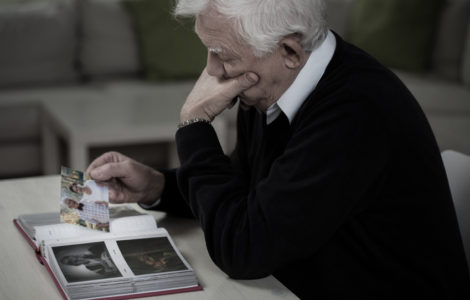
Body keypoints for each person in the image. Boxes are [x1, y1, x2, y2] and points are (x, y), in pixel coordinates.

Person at [86, 0, 470, 298]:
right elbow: (247, 190)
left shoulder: (357, 111)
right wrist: (158, 187)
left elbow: (243, 250)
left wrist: (193, 126)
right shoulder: (271, 82)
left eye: (223, 53)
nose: (213, 71)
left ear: (289, 50)